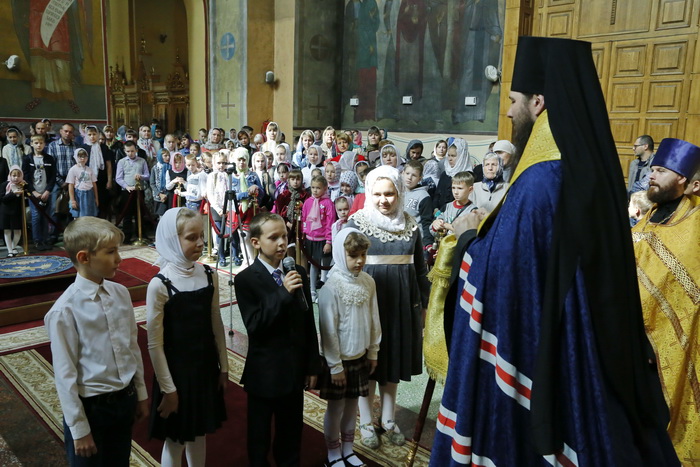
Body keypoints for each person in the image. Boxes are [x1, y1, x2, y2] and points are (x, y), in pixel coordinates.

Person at [431, 36, 678, 466]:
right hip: (592, 349)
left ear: (539, 102)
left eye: (513, 100)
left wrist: (468, 239)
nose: (508, 111)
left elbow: (507, 282)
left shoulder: (540, 183)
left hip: (551, 355)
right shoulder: (587, 166)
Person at [45, 217, 149, 466]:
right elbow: (65, 374)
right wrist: (80, 429)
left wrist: (141, 393)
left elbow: (131, 346)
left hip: (124, 400)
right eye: (111, 252)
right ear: (84, 257)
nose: (119, 258)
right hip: (92, 409)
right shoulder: (65, 311)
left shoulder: (120, 293)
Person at [346, 165, 430, 449]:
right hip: (368, 306)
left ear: (399, 193)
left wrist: (425, 307)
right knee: (369, 364)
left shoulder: (411, 225)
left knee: (392, 362)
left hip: (401, 306)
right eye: (378, 194)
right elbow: (344, 269)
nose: (384, 200)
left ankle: (389, 418)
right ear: (369, 193)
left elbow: (420, 270)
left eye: (390, 194)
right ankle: (366, 419)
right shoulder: (357, 223)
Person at [234, 212, 321, 467]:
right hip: (265, 373)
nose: (282, 242)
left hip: (293, 370)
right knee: (259, 437)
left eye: (284, 235)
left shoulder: (298, 273)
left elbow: (307, 322)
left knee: (291, 434)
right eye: (274, 237)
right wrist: (282, 293)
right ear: (256, 242)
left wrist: (312, 365)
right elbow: (255, 325)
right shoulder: (246, 280)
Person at [631, 137, 700, 462]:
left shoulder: (695, 224)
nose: (652, 176)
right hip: (626, 343)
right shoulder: (648, 217)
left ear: (684, 180)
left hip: (663, 348)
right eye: (653, 169)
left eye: (661, 170)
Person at [147, 208, 228, 467]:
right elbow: (155, 344)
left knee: (199, 433)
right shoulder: (160, 284)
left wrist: (224, 367)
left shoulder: (208, 275)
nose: (201, 243)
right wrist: (168, 389)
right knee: (176, 439)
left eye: (202, 236)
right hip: (177, 374)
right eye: (192, 237)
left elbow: (216, 322)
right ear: (173, 239)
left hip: (204, 368)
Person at [318, 228, 381, 467]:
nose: (360, 261)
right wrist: (335, 366)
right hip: (339, 361)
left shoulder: (368, 282)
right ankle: (333, 454)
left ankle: (348, 449)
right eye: (354, 256)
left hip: (360, 356)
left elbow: (374, 318)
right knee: (336, 409)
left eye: (363, 255)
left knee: (353, 405)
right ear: (341, 254)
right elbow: (328, 331)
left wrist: (373, 351)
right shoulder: (331, 288)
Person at [302, 175, 336, 302]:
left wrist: (329, 241)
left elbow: (330, 223)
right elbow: (304, 219)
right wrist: (304, 234)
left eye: (318, 188)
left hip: (323, 240)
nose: (315, 190)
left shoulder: (328, 203)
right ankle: (312, 290)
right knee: (314, 265)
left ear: (325, 188)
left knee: (325, 266)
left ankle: (324, 291)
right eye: (313, 187)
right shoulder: (308, 202)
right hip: (311, 239)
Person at [23, 134, 56, 251]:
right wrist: (33, 192)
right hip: (34, 194)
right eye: (36, 143)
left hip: (46, 192)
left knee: (46, 216)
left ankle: (45, 239)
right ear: (31, 144)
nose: (38, 145)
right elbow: (25, 177)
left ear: (44, 144)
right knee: (36, 216)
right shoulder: (27, 159)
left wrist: (48, 190)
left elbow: (53, 176)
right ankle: (37, 240)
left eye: (41, 143)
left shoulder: (49, 158)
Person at [115, 141, 150, 243]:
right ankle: (127, 236)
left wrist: (141, 176)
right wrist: (126, 186)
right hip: (127, 192)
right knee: (127, 214)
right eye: (128, 151)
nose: (130, 153)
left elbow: (147, 175)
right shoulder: (121, 162)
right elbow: (118, 178)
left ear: (136, 150)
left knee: (140, 213)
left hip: (139, 190)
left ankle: (141, 234)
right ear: (125, 151)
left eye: (132, 151)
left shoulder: (142, 161)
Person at [431, 171, 477, 238]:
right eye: (453, 188)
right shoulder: (446, 207)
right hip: (445, 246)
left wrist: (447, 226)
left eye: (460, 188)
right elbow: (434, 231)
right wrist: (435, 225)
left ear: (470, 189)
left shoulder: (473, 211)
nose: (455, 192)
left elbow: (468, 234)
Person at [433, 138, 472, 212]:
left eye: (453, 156)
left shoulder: (467, 176)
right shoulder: (446, 173)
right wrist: (435, 208)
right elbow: (437, 193)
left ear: (461, 157)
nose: (450, 159)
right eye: (449, 155)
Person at [402, 160, 434, 249]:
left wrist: (428, 243)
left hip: (415, 241)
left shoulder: (423, 196)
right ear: (402, 173)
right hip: (399, 238)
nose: (409, 177)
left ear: (420, 178)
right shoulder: (397, 192)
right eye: (407, 173)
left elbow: (426, 222)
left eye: (414, 175)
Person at [67, 148, 99, 218]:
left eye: (84, 156)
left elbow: (94, 184)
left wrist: (96, 198)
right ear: (75, 157)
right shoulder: (73, 169)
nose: (82, 158)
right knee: (78, 215)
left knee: (90, 215)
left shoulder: (89, 169)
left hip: (89, 194)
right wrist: (72, 200)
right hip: (79, 195)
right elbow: (71, 185)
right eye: (80, 156)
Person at [1, 165, 25, 257]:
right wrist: (13, 193)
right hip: (5, 211)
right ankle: (9, 250)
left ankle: (14, 247)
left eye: (18, 176)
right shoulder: (5, 185)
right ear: (10, 175)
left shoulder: (23, 184)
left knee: (17, 231)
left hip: (17, 211)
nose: (16, 178)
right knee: (7, 231)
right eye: (14, 175)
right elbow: (2, 199)